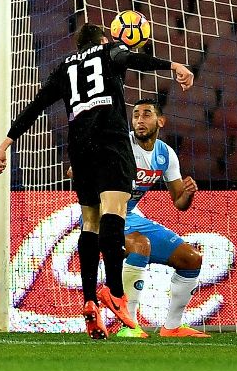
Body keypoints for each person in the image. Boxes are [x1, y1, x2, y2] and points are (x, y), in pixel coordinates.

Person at [0, 23, 195, 340]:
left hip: (79, 147)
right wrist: (173, 65)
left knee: (90, 221)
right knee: (115, 209)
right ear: (101, 40)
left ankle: (89, 300)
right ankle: (115, 291)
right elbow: (132, 60)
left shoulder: (65, 66)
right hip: (110, 140)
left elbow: (35, 106)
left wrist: (5, 144)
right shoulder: (108, 50)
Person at [72, 99, 207, 339]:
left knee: (191, 258)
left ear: (160, 121)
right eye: (135, 115)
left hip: (130, 217)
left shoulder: (165, 154)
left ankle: (172, 327)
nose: (139, 120)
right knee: (140, 244)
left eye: (146, 115)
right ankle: (129, 326)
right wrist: (83, 168)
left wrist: (188, 193)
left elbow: (179, 203)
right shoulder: (120, 145)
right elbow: (78, 168)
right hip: (103, 216)